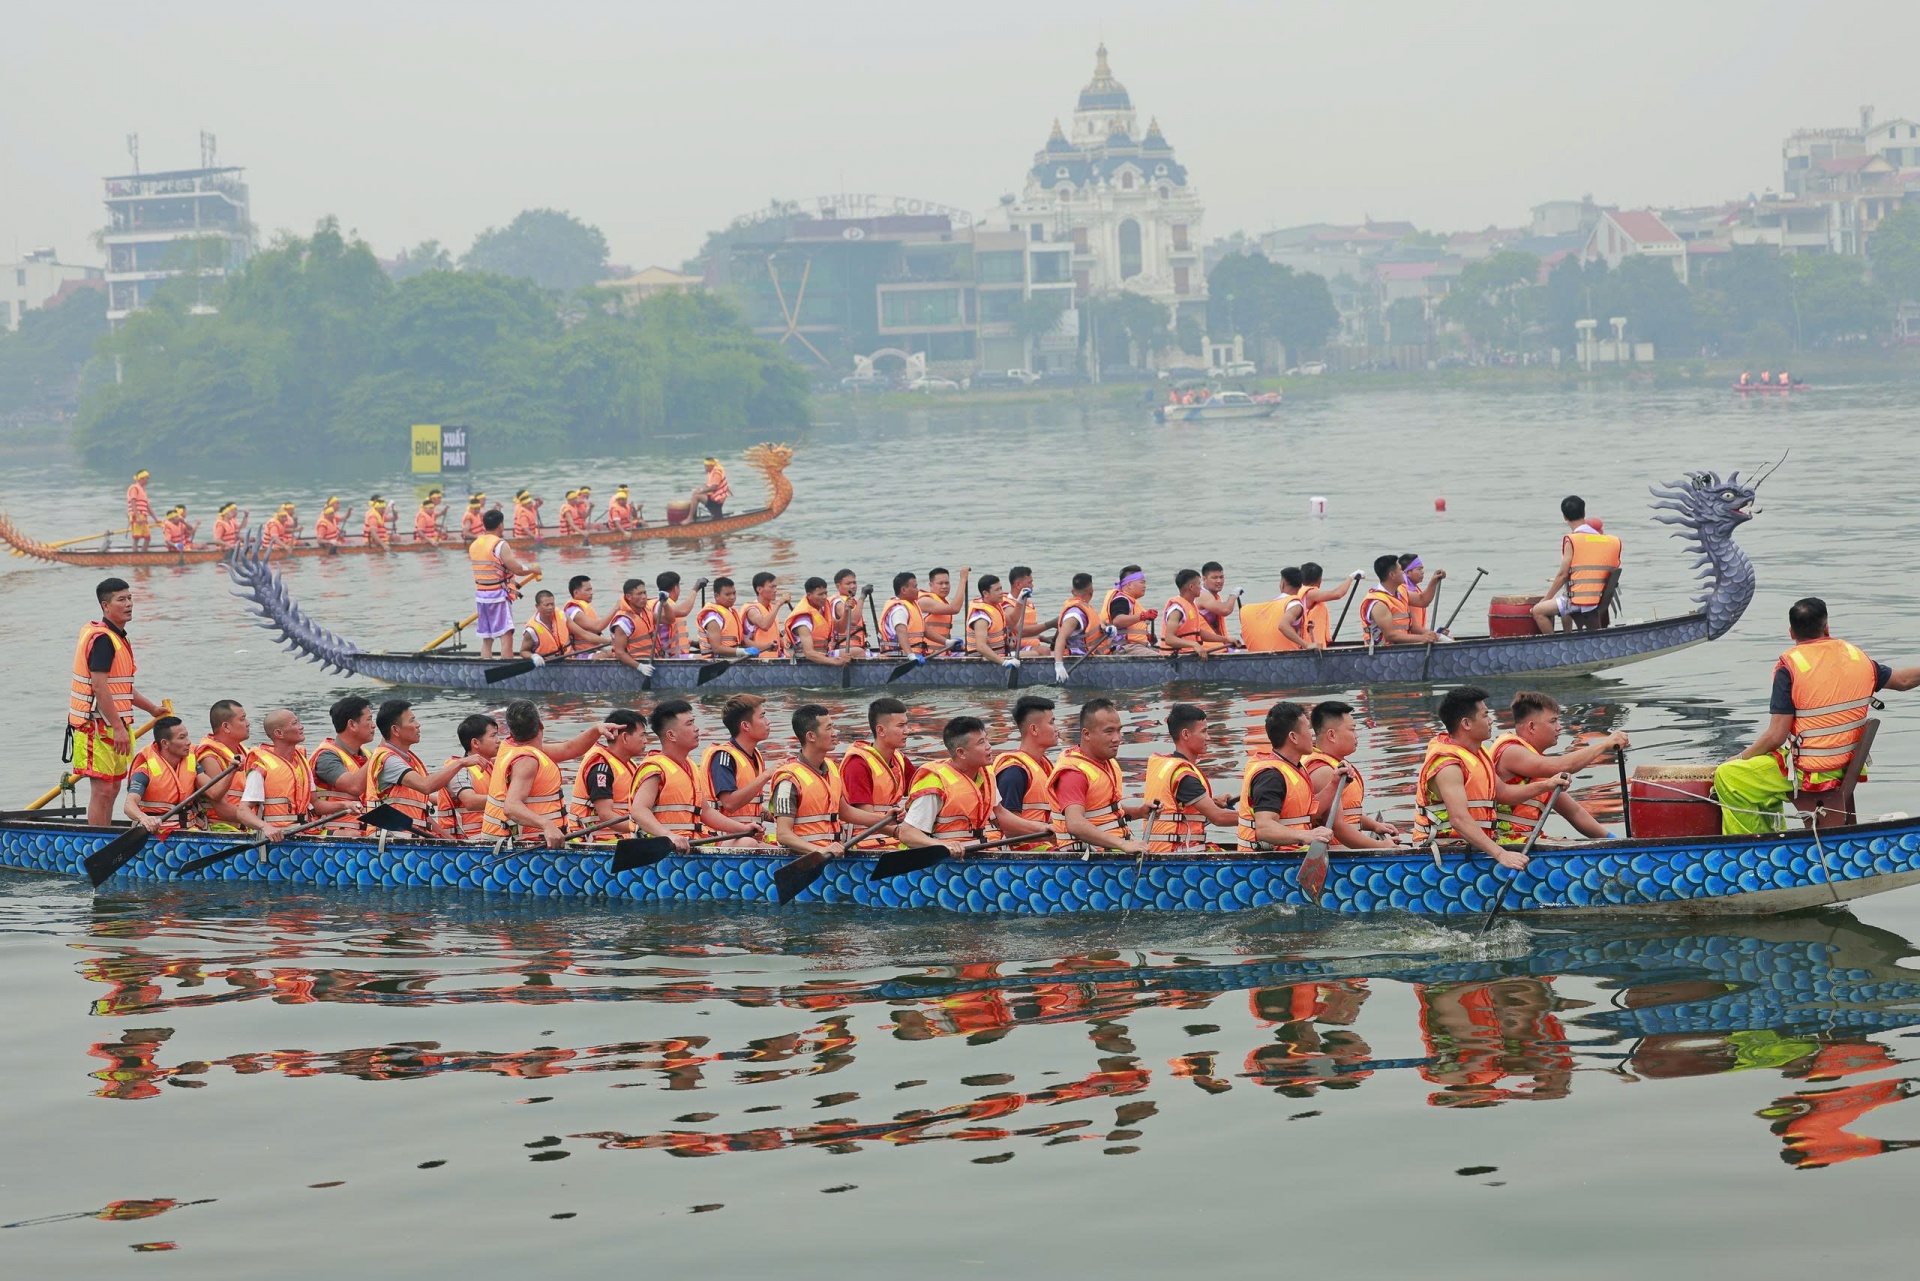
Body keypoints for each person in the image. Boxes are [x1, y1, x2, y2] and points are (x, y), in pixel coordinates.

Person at [1713, 597, 1920, 835]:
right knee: (1760, 771)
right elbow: (1904, 681)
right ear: (1826, 627)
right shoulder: (1856, 657)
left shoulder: (1789, 668)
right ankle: (1772, 837)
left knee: (1730, 776)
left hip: (1812, 772)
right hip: (1847, 765)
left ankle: (1750, 847)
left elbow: (1776, 736)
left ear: (1791, 632)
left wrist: (1738, 758)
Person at [1416, 687, 1566, 870]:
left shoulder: (1478, 754)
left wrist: (1547, 785)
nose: (1491, 720)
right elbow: (1459, 820)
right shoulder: (1448, 766)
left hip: (1474, 848)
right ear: (1466, 723)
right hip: (1446, 857)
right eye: (1485, 715)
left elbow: (1504, 793)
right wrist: (1502, 855)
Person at [68, 577, 165, 827]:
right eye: (121, 599)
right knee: (102, 790)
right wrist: (119, 728)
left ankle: (106, 834)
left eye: (130, 598)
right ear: (105, 606)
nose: (129, 604)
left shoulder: (119, 637)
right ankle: (98, 841)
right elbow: (100, 688)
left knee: (113, 788)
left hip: (114, 725)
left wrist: (152, 708)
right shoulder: (103, 640)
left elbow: (121, 687)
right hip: (96, 727)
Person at [1490, 692, 1627, 841]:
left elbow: (1575, 813)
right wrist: (1604, 745)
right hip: (1505, 845)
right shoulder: (1511, 751)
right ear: (1532, 726)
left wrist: (1615, 841)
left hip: (1527, 844)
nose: (1559, 727)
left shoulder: (1537, 764)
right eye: (1553, 721)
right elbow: (1563, 766)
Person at [481, 700, 620, 847]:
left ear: (511, 731)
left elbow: (569, 748)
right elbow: (511, 807)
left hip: (501, 843)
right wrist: (546, 824)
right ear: (541, 725)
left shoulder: (511, 745)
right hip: (516, 847)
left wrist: (597, 730)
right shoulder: (526, 761)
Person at [767, 704, 885, 860]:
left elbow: (845, 812)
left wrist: (883, 818)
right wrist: (819, 850)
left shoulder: (831, 768)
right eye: (829, 728)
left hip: (832, 854)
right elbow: (783, 834)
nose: (835, 733)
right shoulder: (788, 780)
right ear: (811, 736)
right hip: (804, 859)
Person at [351, 699, 485, 836]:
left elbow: (422, 814)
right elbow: (426, 785)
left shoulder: (409, 759)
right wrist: (461, 763)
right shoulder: (389, 760)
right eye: (412, 721)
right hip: (389, 840)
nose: (418, 724)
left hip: (409, 838)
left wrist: (449, 841)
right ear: (395, 730)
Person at [1048, 698, 1153, 855]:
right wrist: (1123, 844)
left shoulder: (1107, 763)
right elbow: (1074, 823)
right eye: (1109, 731)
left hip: (1113, 851)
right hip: (1087, 859)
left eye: (1118, 730)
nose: (1117, 738)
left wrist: (1140, 812)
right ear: (1086, 734)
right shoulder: (1073, 773)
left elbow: (1105, 811)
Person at [1302, 701, 1402, 850]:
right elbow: (1338, 827)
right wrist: (1380, 846)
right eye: (1352, 730)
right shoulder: (1324, 771)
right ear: (1331, 735)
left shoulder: (1334, 764)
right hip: (1337, 851)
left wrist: (1374, 825)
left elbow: (1347, 813)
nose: (1356, 736)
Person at [1236, 702, 1335, 852]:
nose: (1312, 735)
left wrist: (1335, 783)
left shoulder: (1295, 767)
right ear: (1293, 737)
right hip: (1265, 862)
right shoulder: (1271, 776)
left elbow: (1308, 815)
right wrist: (1305, 835)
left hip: (1293, 854)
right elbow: (1264, 828)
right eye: (1308, 729)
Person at [1142, 703, 1241, 851]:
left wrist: (1212, 802)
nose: (1208, 738)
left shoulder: (1170, 766)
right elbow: (1218, 818)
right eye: (1204, 732)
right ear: (1186, 734)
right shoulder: (1184, 777)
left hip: (1161, 852)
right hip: (1177, 857)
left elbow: (1180, 806)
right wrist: (1261, 819)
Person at [631, 700, 727, 851]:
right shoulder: (655, 768)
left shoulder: (690, 765)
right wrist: (668, 835)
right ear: (671, 735)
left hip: (692, 841)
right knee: (747, 843)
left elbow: (707, 812)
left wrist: (743, 828)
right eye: (689, 724)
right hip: (665, 846)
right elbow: (638, 810)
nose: (696, 728)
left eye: (694, 722)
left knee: (748, 841)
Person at [897, 717, 996, 851]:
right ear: (961, 753)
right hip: (940, 860)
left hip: (975, 852)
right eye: (981, 742)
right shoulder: (935, 782)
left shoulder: (986, 773)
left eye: (986, 739)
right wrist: (943, 845)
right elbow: (907, 834)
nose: (988, 746)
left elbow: (1001, 815)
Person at [1531, 495, 1621, 634]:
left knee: (1538, 611)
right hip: (1599, 599)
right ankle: (1569, 637)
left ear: (1564, 517)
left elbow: (1562, 575)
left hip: (1581, 602)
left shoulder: (1572, 540)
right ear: (1584, 513)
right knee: (1564, 600)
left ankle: (1556, 644)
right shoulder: (1608, 541)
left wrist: (1546, 599)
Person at [698, 694, 775, 838]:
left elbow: (749, 806)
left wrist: (778, 816)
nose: (768, 722)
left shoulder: (755, 755)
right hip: (722, 838)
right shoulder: (724, 756)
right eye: (762, 716)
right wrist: (766, 775)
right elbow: (729, 804)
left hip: (749, 836)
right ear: (745, 725)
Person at [469, 508, 539, 661]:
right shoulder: (500, 545)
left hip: (481, 596)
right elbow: (517, 569)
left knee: (487, 638)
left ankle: (485, 664)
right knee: (506, 635)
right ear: (500, 526)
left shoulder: (475, 544)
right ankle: (507, 665)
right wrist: (533, 569)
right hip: (497, 596)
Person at [234, 708, 316, 836]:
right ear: (279, 733)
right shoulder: (261, 767)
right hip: (274, 838)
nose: (301, 727)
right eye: (295, 723)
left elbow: (316, 803)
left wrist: (344, 806)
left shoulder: (302, 762)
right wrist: (265, 827)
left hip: (302, 833)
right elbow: (242, 811)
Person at [842, 698, 913, 844]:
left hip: (895, 839)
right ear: (880, 730)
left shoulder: (900, 760)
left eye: (906, 725)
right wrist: (902, 834)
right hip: (864, 842)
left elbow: (920, 793)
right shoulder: (857, 763)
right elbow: (866, 817)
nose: (907, 731)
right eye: (900, 726)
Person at [567, 708, 647, 838]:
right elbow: (605, 815)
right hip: (596, 842)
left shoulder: (630, 764)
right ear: (625, 737)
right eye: (642, 735)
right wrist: (647, 827)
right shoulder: (601, 767)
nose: (645, 740)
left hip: (624, 838)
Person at [992, 694, 1058, 847]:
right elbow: (1009, 830)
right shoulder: (1014, 771)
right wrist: (1047, 832)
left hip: (1050, 846)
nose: (1057, 729)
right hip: (1024, 854)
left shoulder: (1046, 766)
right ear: (1034, 729)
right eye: (1051, 723)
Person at [310, 695, 378, 835]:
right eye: (369, 719)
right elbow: (354, 787)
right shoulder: (326, 757)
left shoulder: (367, 755)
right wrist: (382, 751)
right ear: (352, 724)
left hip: (366, 831)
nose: (373, 725)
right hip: (335, 833)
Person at [121, 717, 200, 834]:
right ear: (165, 743)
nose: (188, 742)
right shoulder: (144, 770)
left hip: (189, 830)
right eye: (182, 738)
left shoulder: (191, 760)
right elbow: (129, 805)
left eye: (187, 736)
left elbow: (213, 791)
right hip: (157, 832)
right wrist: (144, 818)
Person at [436, 713, 499, 840]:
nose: (498, 740)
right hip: (467, 842)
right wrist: (510, 801)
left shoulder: (491, 767)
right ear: (475, 743)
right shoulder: (459, 769)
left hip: (492, 838)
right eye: (493, 736)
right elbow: (470, 802)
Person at [195, 699, 252, 832]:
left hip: (248, 827)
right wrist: (259, 822)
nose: (248, 723)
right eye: (242, 719)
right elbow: (222, 808)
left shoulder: (243, 752)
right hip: (222, 830)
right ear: (226, 727)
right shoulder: (210, 758)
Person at [1362, 554, 1441, 646]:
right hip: (1384, 651)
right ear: (1392, 575)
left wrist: (1434, 581)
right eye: (1400, 570)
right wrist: (1422, 638)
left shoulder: (1401, 592)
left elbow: (1423, 600)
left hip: (1402, 647)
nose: (1404, 573)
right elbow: (1390, 636)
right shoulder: (1378, 603)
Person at [1160, 568, 1231, 660]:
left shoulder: (1191, 605)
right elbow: (1169, 639)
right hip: (1174, 659)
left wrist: (1225, 639)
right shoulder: (1177, 610)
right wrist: (1194, 645)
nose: (1201, 588)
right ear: (1191, 587)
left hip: (1188, 655)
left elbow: (1198, 633)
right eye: (1199, 584)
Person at [784, 577, 847, 667]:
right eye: (820, 594)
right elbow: (809, 653)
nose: (824, 597)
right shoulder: (803, 620)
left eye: (825, 593)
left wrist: (847, 611)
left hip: (823, 653)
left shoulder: (822, 610)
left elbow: (841, 629)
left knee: (857, 651)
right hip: (805, 660)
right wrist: (835, 662)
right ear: (809, 596)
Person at [1050, 573, 1100, 678]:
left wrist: (1107, 628)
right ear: (1091, 592)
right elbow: (1061, 638)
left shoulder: (1086, 607)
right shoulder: (1075, 614)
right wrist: (1059, 664)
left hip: (1091, 656)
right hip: (1077, 660)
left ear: (1073, 591)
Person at [697, 577, 760, 659]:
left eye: (734, 593)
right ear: (717, 596)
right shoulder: (713, 617)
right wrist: (743, 652)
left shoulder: (732, 611)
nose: (732, 597)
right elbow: (716, 648)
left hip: (734, 656)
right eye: (728, 594)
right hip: (718, 659)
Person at [606, 577, 661, 672]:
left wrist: (665, 603)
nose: (644, 597)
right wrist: (639, 666)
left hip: (651, 661)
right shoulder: (623, 622)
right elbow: (619, 652)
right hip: (636, 665)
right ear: (628, 597)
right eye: (639, 594)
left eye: (644, 593)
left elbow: (669, 619)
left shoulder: (646, 613)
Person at [1099, 566, 1157, 653]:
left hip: (1136, 646)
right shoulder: (1121, 600)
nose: (1145, 586)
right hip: (1125, 647)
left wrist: (1146, 636)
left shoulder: (1130, 600)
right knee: (1162, 659)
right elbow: (1118, 621)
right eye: (1142, 582)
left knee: (1166, 653)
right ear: (1129, 584)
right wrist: (1143, 616)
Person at [966, 573, 1015, 664]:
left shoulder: (996, 606)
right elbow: (981, 647)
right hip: (982, 663)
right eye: (997, 590)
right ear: (985, 593)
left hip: (999, 657)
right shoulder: (981, 617)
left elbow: (1013, 622)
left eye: (1001, 588)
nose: (1001, 592)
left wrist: (1020, 601)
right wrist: (1004, 662)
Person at [918, 566, 968, 653]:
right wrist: (963, 579)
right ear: (931, 585)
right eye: (940, 583)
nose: (944, 586)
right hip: (928, 654)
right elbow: (955, 608)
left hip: (942, 652)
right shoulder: (925, 601)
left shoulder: (942, 602)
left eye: (947, 583)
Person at [879, 572, 928, 656]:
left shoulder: (913, 605)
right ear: (904, 590)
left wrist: (946, 642)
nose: (918, 590)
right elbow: (901, 632)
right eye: (915, 587)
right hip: (899, 657)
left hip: (916, 654)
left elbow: (926, 630)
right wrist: (910, 655)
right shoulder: (899, 610)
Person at [1397, 554, 1447, 633]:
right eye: (1419, 569)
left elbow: (1423, 600)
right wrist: (1436, 636)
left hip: (1418, 635)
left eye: (1422, 569)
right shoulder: (1401, 590)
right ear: (1407, 572)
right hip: (1407, 637)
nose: (1422, 572)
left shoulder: (1416, 589)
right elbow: (1414, 628)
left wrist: (1436, 632)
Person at [743, 572, 788, 655]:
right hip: (757, 657)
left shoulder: (770, 609)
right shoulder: (752, 610)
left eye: (775, 587)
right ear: (759, 589)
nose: (775, 590)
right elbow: (764, 625)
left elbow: (776, 636)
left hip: (773, 655)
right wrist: (779, 604)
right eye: (772, 587)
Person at [518, 590, 571, 659]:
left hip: (567, 659)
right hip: (546, 663)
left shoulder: (561, 615)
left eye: (552, 604)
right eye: (546, 605)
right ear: (537, 607)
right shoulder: (532, 630)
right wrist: (534, 656)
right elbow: (523, 652)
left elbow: (581, 633)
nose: (550, 607)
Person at [1195, 562, 1238, 645]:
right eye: (1214, 578)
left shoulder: (1214, 596)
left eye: (1221, 577)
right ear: (1204, 579)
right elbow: (1225, 610)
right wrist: (1234, 595)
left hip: (1214, 644)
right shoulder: (1202, 595)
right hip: (1203, 646)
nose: (1219, 581)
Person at [562, 575, 610, 650]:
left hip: (594, 649)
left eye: (591, 590)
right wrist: (616, 608)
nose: (591, 593)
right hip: (582, 652)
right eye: (587, 590)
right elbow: (598, 626)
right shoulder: (572, 610)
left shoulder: (584, 607)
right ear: (576, 593)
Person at [1005, 566, 1046, 653]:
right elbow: (1020, 631)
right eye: (1029, 582)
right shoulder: (1007, 605)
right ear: (1018, 584)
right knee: (1044, 650)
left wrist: (1043, 638)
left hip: (1032, 645)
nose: (1032, 585)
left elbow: (1033, 630)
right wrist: (1050, 624)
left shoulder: (1029, 604)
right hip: (1015, 648)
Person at [658, 571, 698, 657]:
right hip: (670, 656)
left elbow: (666, 635)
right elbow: (684, 610)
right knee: (706, 657)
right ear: (676, 589)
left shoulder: (663, 603)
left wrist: (692, 643)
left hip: (676, 653)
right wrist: (696, 589)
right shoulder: (664, 605)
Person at [831, 569, 870, 657]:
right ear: (838, 586)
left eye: (854, 583)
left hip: (856, 649)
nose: (853, 586)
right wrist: (862, 597)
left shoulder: (852, 602)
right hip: (843, 649)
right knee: (861, 652)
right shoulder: (838, 602)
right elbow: (853, 620)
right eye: (848, 584)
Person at [126, 470, 154, 552]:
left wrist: (156, 519)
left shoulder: (143, 490)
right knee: (136, 537)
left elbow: (148, 507)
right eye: (146, 478)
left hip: (143, 516)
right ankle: (135, 554)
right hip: (136, 516)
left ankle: (143, 553)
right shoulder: (134, 488)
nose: (148, 480)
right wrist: (137, 517)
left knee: (147, 537)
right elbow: (133, 502)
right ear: (141, 479)